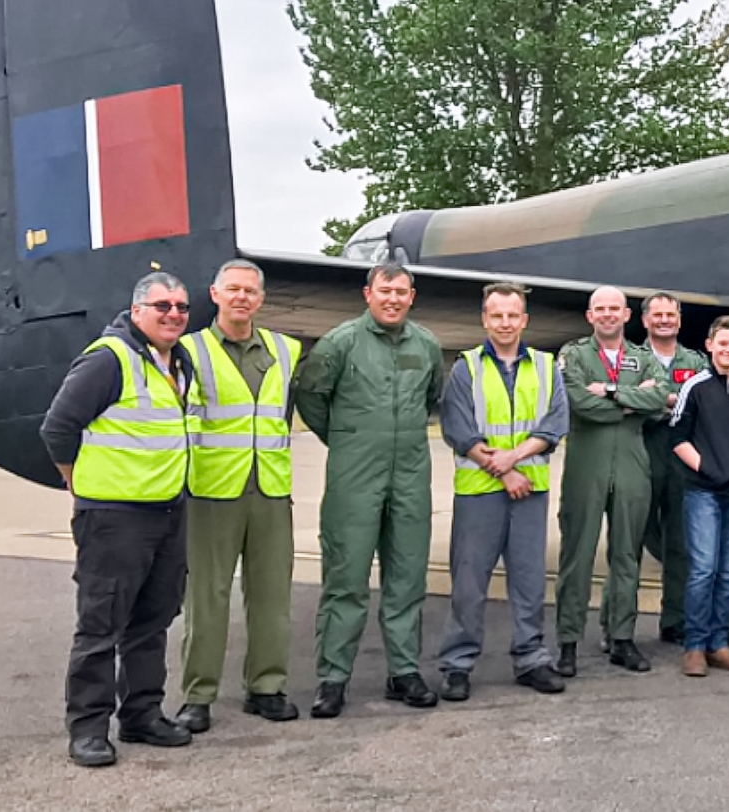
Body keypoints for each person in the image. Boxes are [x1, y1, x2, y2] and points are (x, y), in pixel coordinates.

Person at [39, 271, 199, 767]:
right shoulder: (109, 360)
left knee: (153, 620)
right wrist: (75, 479)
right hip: (114, 517)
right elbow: (58, 426)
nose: (173, 314)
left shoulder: (180, 362)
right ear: (136, 312)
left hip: (168, 511)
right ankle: (87, 728)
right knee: (100, 625)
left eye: (181, 307)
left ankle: (141, 714)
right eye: (162, 306)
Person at [294, 262, 445, 718]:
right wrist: (348, 439)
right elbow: (311, 398)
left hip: (411, 476)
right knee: (346, 577)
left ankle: (403, 672)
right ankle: (333, 677)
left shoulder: (427, 345)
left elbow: (431, 396)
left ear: (411, 297)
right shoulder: (340, 343)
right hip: (354, 477)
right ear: (368, 294)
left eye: (401, 291)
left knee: (407, 575)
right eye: (385, 290)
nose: (393, 299)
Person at [175, 260, 303, 733]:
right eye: (233, 289)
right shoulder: (190, 351)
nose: (242, 297)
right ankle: (198, 696)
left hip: (270, 489)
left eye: (250, 290)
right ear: (215, 293)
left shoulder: (286, 350)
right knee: (207, 597)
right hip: (212, 492)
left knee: (272, 595)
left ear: (261, 299)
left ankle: (267, 688)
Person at [435, 283, 571, 702]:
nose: (505, 323)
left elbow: (554, 423)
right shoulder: (466, 368)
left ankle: (531, 659)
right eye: (497, 315)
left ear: (524, 320)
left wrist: (513, 458)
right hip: (481, 490)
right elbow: (458, 428)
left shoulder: (548, 367)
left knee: (529, 580)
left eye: (513, 315)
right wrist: (503, 469)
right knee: (469, 583)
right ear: (485, 319)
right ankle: (458, 665)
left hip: (529, 490)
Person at [553, 286, 668, 676]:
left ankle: (621, 638)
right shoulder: (574, 355)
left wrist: (614, 392)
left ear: (626, 315)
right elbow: (578, 403)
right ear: (590, 316)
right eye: (599, 309)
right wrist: (631, 404)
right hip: (587, 465)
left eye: (614, 309)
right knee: (577, 555)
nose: (607, 315)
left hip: (634, 465)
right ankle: (568, 641)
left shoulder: (643, 357)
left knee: (626, 556)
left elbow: (660, 400)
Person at [669, 316, 729, 677]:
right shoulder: (695, 387)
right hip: (704, 494)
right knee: (703, 570)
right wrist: (705, 469)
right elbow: (677, 437)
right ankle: (694, 646)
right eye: (722, 343)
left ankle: (718, 643)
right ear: (710, 345)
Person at [641, 292, 711, 646]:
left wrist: (652, 399)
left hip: (682, 462)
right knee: (628, 543)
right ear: (645, 321)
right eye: (658, 315)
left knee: (680, 546)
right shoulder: (632, 360)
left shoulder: (696, 363)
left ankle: (675, 619)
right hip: (642, 456)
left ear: (680, 321)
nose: (665, 320)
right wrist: (670, 404)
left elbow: (704, 404)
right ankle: (617, 626)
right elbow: (627, 397)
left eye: (671, 314)